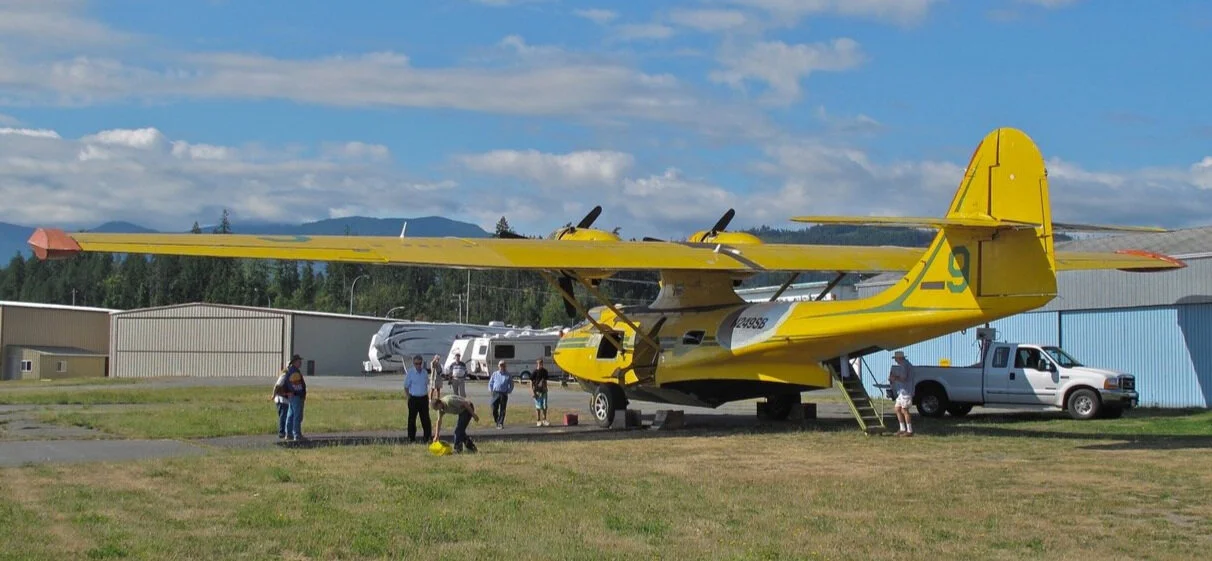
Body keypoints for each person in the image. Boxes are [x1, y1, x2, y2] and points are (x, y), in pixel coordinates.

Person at [404, 354, 433, 443]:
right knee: (412, 419)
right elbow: (406, 386)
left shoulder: (424, 372)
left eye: (420, 363)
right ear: (414, 363)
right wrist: (409, 397)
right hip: (414, 398)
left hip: (423, 398)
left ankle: (427, 438)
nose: (418, 365)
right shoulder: (410, 373)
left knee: (425, 419)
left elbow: (428, 383)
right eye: (416, 363)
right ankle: (411, 438)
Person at [890, 350, 915, 437]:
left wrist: (894, 378)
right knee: (897, 409)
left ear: (899, 358)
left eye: (896, 358)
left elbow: (903, 378)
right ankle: (902, 428)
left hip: (906, 391)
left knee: (904, 410)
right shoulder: (904, 365)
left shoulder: (904, 365)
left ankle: (909, 430)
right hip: (902, 391)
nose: (895, 360)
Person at [284, 354, 307, 441]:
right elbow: (297, 386)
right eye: (298, 361)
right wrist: (301, 394)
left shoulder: (290, 371)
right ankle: (296, 434)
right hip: (296, 396)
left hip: (292, 396)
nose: (300, 362)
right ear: (294, 362)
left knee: (291, 415)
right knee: (297, 416)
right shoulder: (294, 372)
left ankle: (288, 433)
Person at [488, 360, 514, 429]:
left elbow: (511, 384)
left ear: (505, 366)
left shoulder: (508, 374)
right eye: (501, 365)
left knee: (503, 409)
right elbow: (491, 383)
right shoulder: (495, 374)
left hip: (503, 394)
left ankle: (500, 423)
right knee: (494, 408)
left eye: (503, 365)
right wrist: (491, 390)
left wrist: (509, 390)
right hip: (495, 393)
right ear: (498, 366)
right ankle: (497, 421)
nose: (502, 367)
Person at [269, 365, 291, 439]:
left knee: (285, 416)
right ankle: (282, 432)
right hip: (281, 399)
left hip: (285, 399)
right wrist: (273, 395)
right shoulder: (284, 375)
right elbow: (277, 386)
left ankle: (285, 431)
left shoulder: (289, 375)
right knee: (283, 416)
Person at [531, 358, 550, 427]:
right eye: (539, 363)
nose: (540, 364)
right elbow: (531, 382)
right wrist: (533, 392)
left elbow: (545, 380)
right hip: (537, 391)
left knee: (545, 405)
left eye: (541, 363)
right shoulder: (534, 372)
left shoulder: (545, 371)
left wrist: (546, 387)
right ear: (537, 363)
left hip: (544, 391)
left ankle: (544, 420)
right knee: (538, 406)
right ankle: (538, 420)